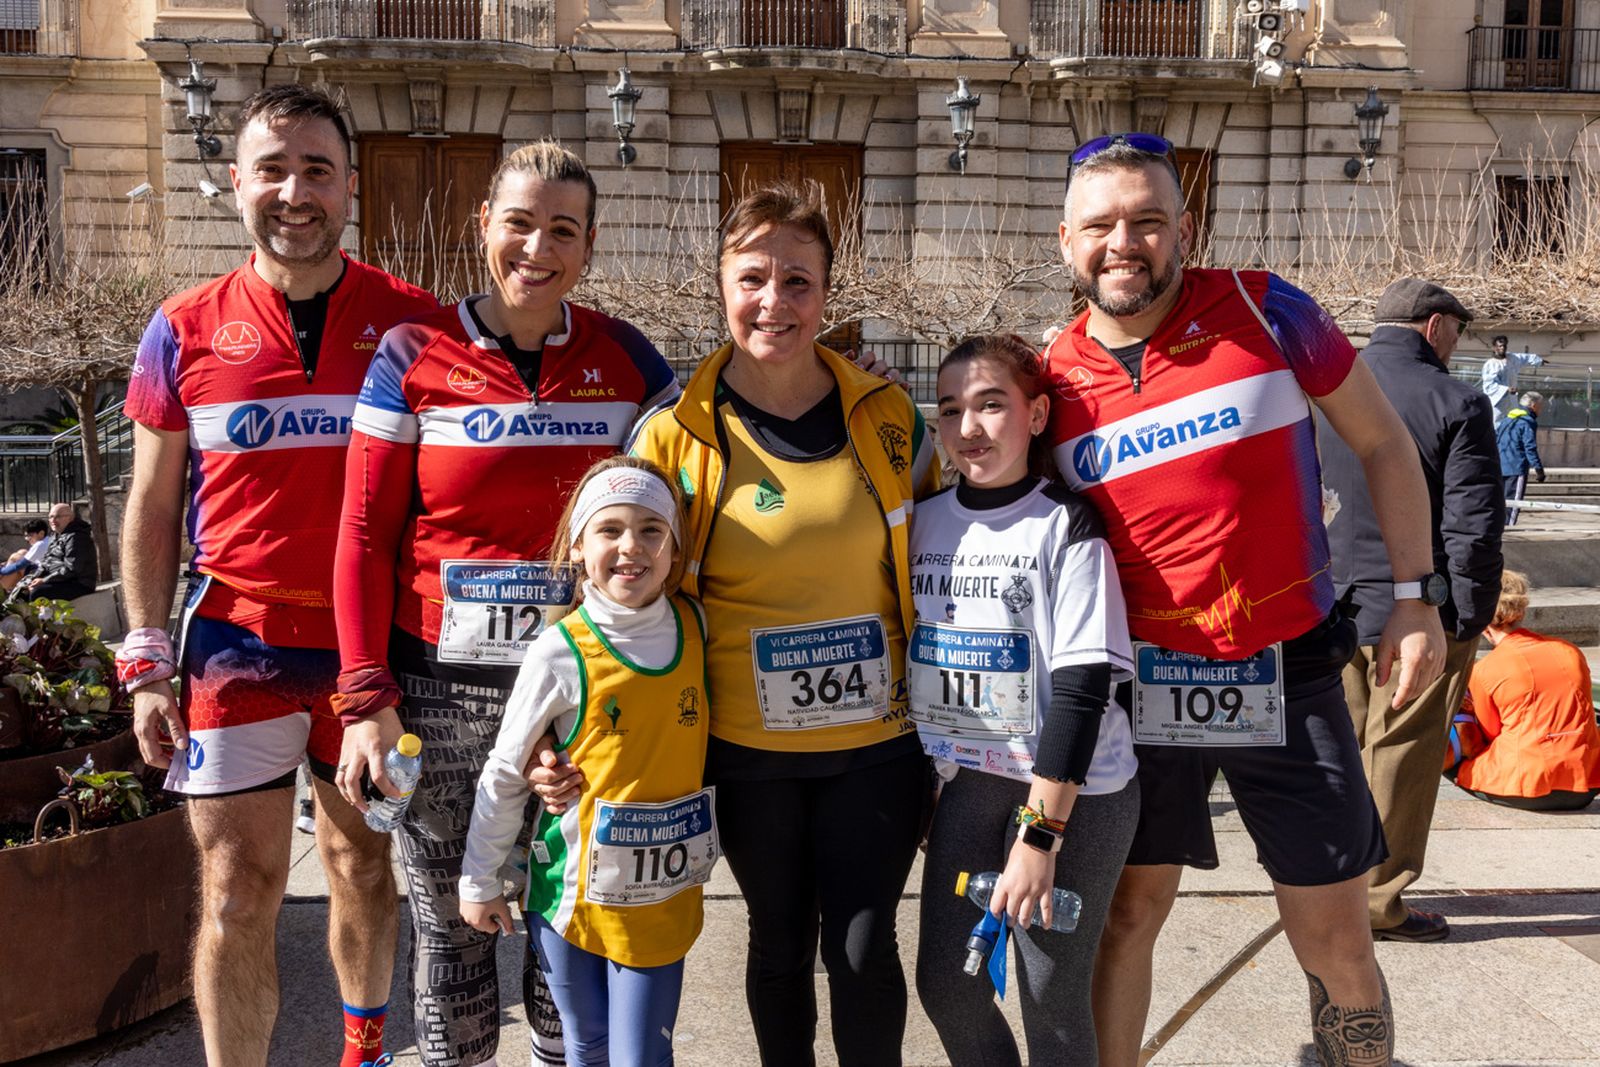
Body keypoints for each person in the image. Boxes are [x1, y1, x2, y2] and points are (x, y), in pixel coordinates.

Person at [1041, 134, 1443, 1067]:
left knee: (1335, 938)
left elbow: (1385, 447)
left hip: (1290, 669)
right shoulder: (1050, 377)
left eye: (1147, 220)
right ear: (1067, 240)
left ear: (1184, 227)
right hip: (1139, 690)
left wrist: (1417, 600)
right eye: (1101, 225)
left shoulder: (1268, 310)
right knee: (1126, 917)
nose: (1124, 243)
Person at [332, 141, 679, 1067]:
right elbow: (362, 535)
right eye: (518, 223)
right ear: (482, 225)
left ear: (589, 245)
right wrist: (367, 698)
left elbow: (679, 517)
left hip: (581, 690)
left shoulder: (629, 360)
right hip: (440, 692)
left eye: (562, 230)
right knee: (454, 929)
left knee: (566, 927)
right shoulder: (413, 353)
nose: (538, 247)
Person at [117, 85, 438, 1067]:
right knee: (234, 885)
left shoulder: (415, 323)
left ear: (350, 187)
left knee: (361, 861)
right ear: (234, 183)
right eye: (271, 168)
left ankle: (365, 1052)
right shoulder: (183, 324)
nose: (293, 191)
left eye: (315, 170)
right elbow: (152, 504)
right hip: (234, 646)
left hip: (369, 652)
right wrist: (145, 654)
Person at [609, 181, 939, 1066]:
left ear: (829, 290)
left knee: (866, 952)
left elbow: (957, 563)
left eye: (798, 280)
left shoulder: (892, 417)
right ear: (719, 282)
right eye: (752, 276)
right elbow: (622, 595)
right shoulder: (672, 433)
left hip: (879, 745)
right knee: (779, 946)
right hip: (749, 755)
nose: (774, 301)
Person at [910, 335, 1137, 1066]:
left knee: (1050, 998)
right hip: (972, 785)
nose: (968, 427)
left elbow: (1080, 691)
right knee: (947, 982)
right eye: (950, 409)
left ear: (1037, 414)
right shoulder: (925, 518)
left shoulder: (1066, 523)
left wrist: (1041, 837)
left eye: (991, 405)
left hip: (1075, 794)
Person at [459, 457, 710, 1066]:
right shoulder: (558, 650)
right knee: (588, 1047)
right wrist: (479, 879)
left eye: (653, 530)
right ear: (577, 546)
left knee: (640, 1058)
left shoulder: (697, 624)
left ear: (676, 549)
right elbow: (505, 770)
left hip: (661, 894)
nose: (632, 546)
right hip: (569, 896)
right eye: (611, 529)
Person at [1321, 278, 1504, 943]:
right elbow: (1473, 526)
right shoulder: (1456, 398)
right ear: (1434, 326)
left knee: (1339, 751)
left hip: (1334, 606)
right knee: (1400, 753)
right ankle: (1377, 900)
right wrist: (1470, 615)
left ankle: (1324, 889)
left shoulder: (1327, 389)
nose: (1460, 340)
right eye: (1459, 326)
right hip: (1419, 611)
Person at [1450, 570, 1600, 811]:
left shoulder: (1486, 669)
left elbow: (1488, 734)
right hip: (1586, 784)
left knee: (1452, 727)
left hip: (1524, 784)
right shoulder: (1570, 651)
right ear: (1521, 610)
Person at [12, 503, 96, 603]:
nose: (53, 520)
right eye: (51, 517)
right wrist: (34, 578)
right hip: (60, 580)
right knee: (22, 591)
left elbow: (72, 569)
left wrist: (44, 580)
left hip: (79, 583)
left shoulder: (77, 537)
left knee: (37, 593)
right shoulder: (56, 536)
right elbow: (46, 562)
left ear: (70, 518)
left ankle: (40, 618)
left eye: (58, 517)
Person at [1497, 391, 1546, 527]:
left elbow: (1496, 440)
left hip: (1501, 466)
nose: (1541, 410)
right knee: (1514, 502)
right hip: (1516, 468)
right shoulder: (1528, 422)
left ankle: (1499, 528)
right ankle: (1509, 528)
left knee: (1500, 502)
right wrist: (1539, 469)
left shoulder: (1507, 419)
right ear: (1534, 406)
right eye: (1540, 407)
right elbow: (1529, 446)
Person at [1480, 335, 1543, 428]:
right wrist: (1506, 389)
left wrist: (1538, 360)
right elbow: (1488, 386)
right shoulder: (1490, 364)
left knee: (1512, 424)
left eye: (1504, 346)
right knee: (1497, 425)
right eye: (1500, 346)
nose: (1503, 348)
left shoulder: (1512, 358)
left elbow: (1525, 358)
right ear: (1494, 348)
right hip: (1498, 402)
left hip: (1512, 400)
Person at [0, 518, 51, 594]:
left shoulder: (40, 545)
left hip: (41, 573)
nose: (27, 539)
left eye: (30, 535)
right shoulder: (48, 540)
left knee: (14, 557)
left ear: (41, 533)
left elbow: (21, 565)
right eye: (25, 536)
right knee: (22, 552)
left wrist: (2, 570)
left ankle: (4, 586)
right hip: (43, 569)